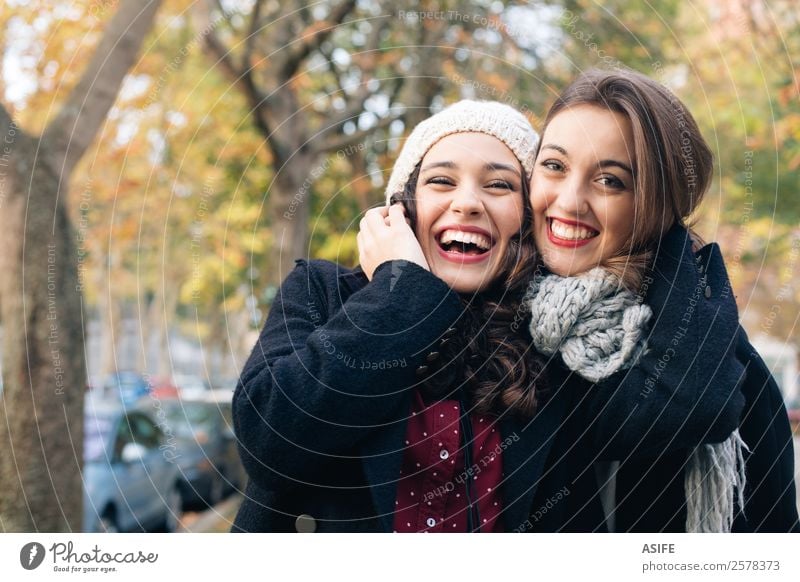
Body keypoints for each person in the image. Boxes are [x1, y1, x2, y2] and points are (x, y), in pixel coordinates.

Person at [230, 100, 561, 532]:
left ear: (527, 218)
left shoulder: (548, 333)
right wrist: (401, 291)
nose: (467, 203)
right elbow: (268, 444)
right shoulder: (321, 293)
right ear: (402, 208)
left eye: (498, 185)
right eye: (441, 180)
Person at [522, 68, 799, 532]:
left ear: (659, 206)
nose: (569, 201)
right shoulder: (490, 330)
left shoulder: (728, 370)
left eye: (611, 181)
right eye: (554, 166)